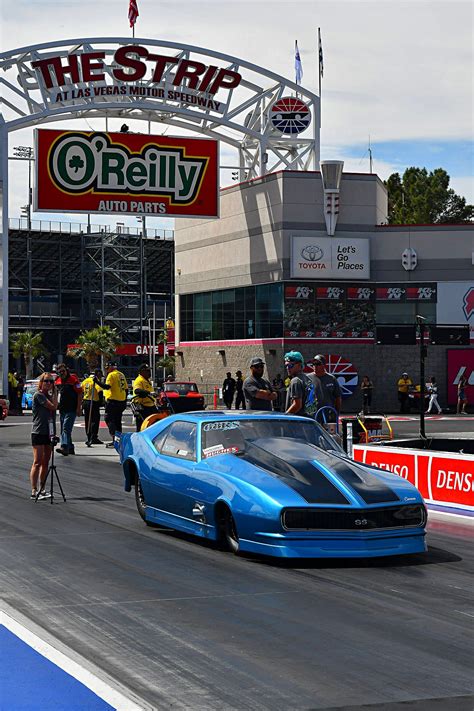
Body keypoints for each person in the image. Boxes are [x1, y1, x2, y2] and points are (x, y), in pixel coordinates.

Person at [30, 373, 58, 499]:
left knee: (46, 462)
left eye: (51, 381)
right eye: (46, 381)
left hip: (49, 432)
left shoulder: (49, 396)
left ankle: (42, 488)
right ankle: (34, 489)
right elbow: (53, 406)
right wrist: (56, 393)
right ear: (41, 382)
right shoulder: (39, 395)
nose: (49, 383)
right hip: (38, 431)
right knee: (37, 461)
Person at [95, 362, 128, 446]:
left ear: (111, 367)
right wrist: (125, 400)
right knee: (118, 421)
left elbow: (107, 386)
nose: (106, 370)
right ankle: (118, 440)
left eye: (107, 368)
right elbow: (126, 389)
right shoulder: (121, 374)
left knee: (109, 419)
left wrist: (97, 382)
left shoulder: (111, 375)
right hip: (121, 401)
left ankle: (114, 438)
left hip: (113, 402)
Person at [55, 363, 83, 456]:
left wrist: (79, 408)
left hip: (72, 408)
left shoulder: (74, 379)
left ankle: (64, 446)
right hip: (62, 409)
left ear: (67, 370)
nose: (62, 373)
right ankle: (70, 447)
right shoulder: (58, 381)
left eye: (63, 371)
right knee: (64, 429)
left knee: (66, 428)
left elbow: (79, 393)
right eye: (59, 372)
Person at [308, 354, 342, 419]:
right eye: (313, 364)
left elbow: (338, 398)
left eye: (318, 364)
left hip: (328, 415)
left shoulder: (331, 379)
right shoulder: (308, 378)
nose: (315, 366)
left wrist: (336, 413)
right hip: (312, 416)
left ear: (324, 365)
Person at [284, 351, 314, 416]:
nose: (287, 368)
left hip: (298, 422)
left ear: (299, 365)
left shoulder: (295, 380)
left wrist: (284, 416)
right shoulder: (308, 379)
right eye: (286, 365)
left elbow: (297, 405)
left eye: (290, 365)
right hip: (309, 420)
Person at [132, 363, 158, 431]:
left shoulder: (147, 380)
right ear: (141, 372)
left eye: (149, 371)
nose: (149, 373)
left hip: (150, 405)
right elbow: (137, 391)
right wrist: (149, 393)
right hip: (142, 406)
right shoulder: (139, 380)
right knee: (142, 425)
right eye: (147, 371)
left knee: (155, 422)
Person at [81, 369, 104, 445]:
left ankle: (88, 436)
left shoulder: (85, 381)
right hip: (93, 402)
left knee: (87, 420)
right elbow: (100, 391)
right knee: (95, 420)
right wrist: (101, 402)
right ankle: (93, 437)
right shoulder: (95, 381)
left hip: (85, 401)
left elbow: (81, 390)